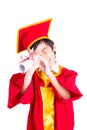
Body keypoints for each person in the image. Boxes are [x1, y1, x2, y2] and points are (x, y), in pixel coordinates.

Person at [7, 18, 82, 130]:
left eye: (44, 50)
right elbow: (23, 96)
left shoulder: (66, 73)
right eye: (37, 55)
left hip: (63, 126)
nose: (43, 57)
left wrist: (50, 74)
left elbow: (67, 96)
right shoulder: (34, 76)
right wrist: (31, 69)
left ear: (54, 48)